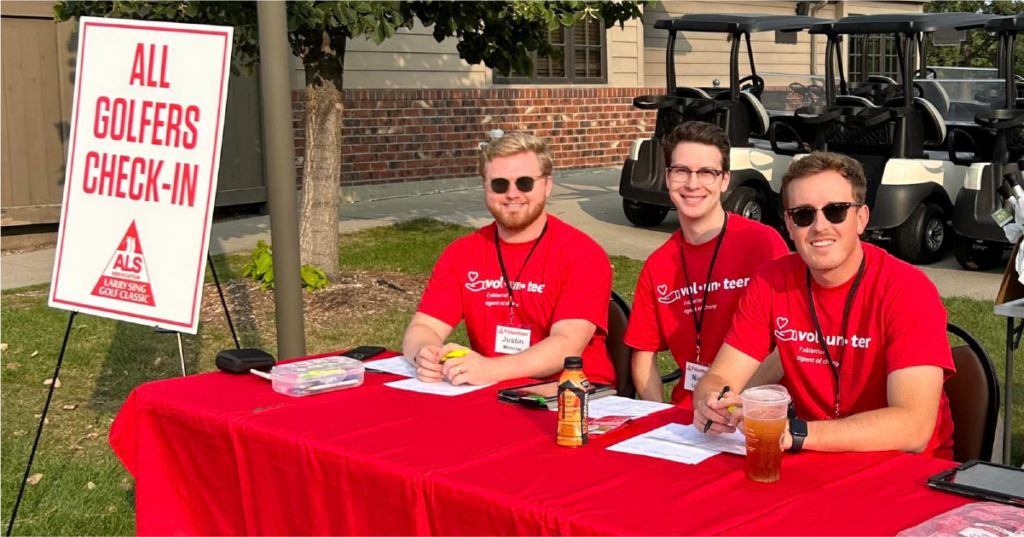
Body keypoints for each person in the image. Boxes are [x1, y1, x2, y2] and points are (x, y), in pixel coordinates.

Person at [693, 152, 955, 459]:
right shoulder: (771, 281)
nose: (820, 226)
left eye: (836, 211)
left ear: (861, 218)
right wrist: (711, 401)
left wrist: (797, 433)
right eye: (804, 214)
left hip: (902, 470)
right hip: (814, 458)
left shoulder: (907, 290)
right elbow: (720, 377)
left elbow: (914, 428)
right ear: (789, 225)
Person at [401, 132, 615, 386]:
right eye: (500, 184)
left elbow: (566, 346)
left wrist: (491, 370)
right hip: (491, 389)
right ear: (485, 187)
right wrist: (424, 352)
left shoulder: (582, 254)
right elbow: (424, 327)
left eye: (525, 183)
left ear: (547, 185)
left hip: (571, 395)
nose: (512, 194)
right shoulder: (461, 253)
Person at [625, 121, 788, 408]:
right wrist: (657, 417)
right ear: (667, 177)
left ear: (725, 180)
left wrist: (726, 403)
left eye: (706, 173)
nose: (692, 183)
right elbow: (643, 354)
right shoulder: (658, 264)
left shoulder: (763, 243)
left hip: (754, 410)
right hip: (686, 415)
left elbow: (787, 344)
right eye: (681, 171)